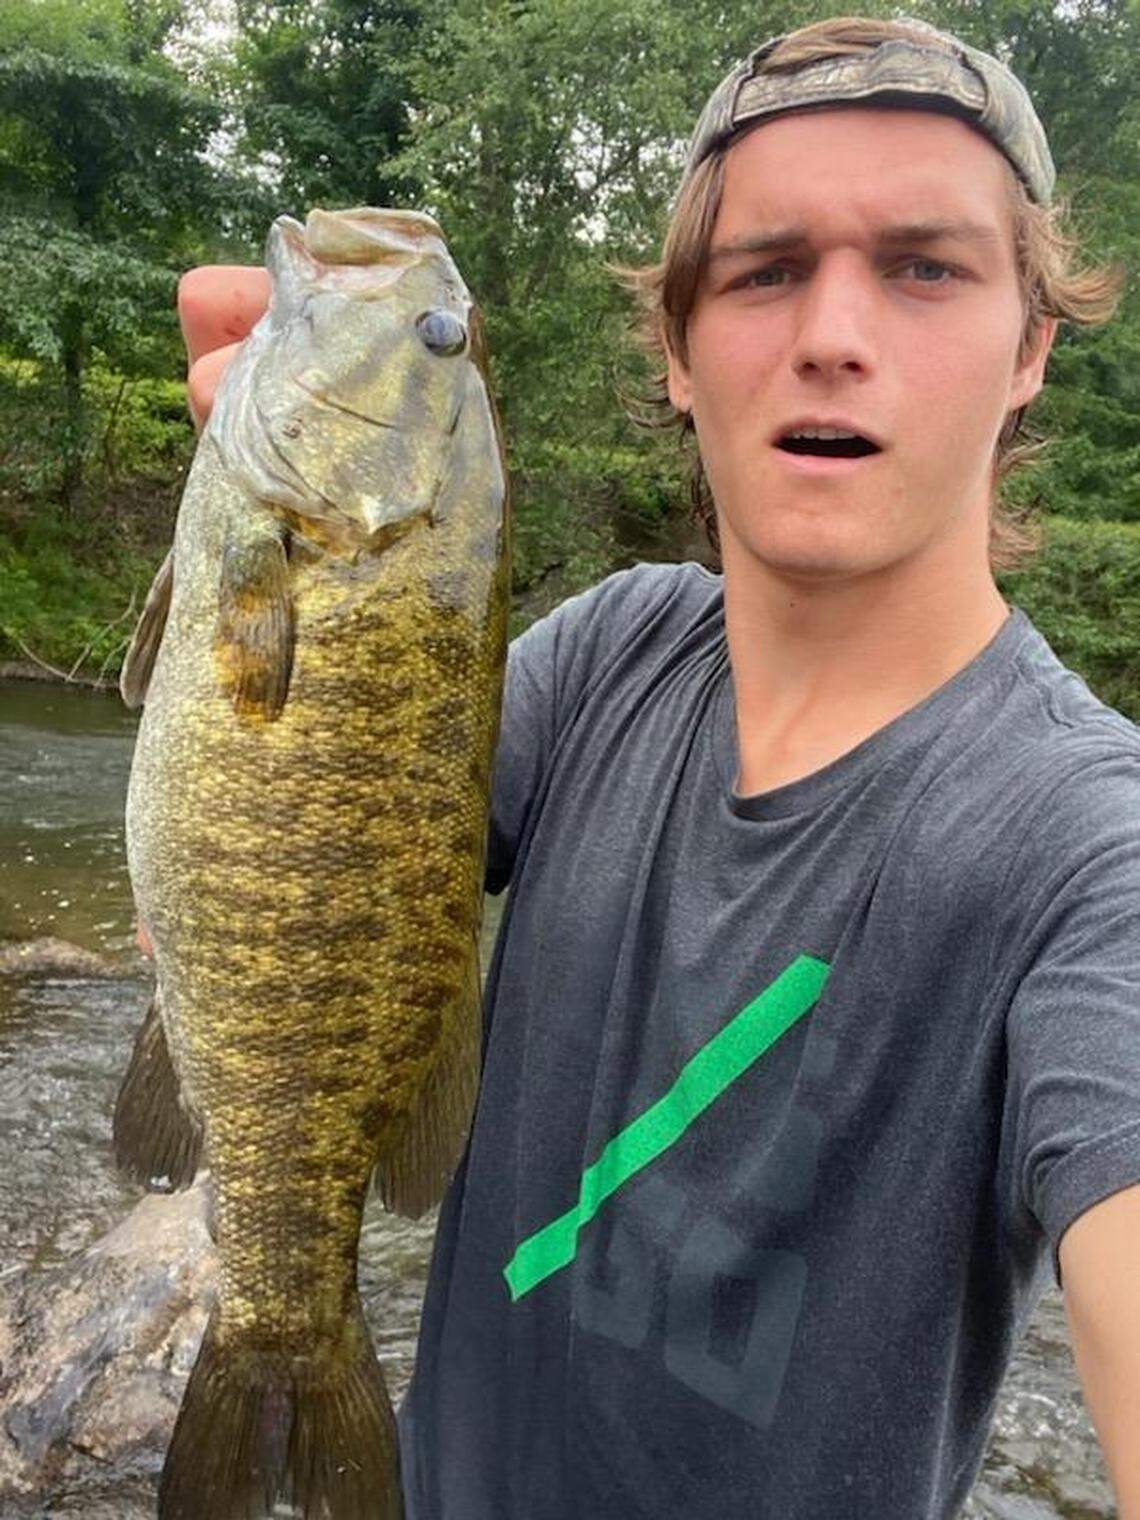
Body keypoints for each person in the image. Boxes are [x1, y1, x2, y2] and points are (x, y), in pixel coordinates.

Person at [167, 15, 1140, 1518]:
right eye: (764, 270)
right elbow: (309, 879)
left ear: (1029, 349)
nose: (833, 332)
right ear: (679, 355)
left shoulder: (1093, 849)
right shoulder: (611, 656)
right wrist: (243, 538)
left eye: (925, 266)